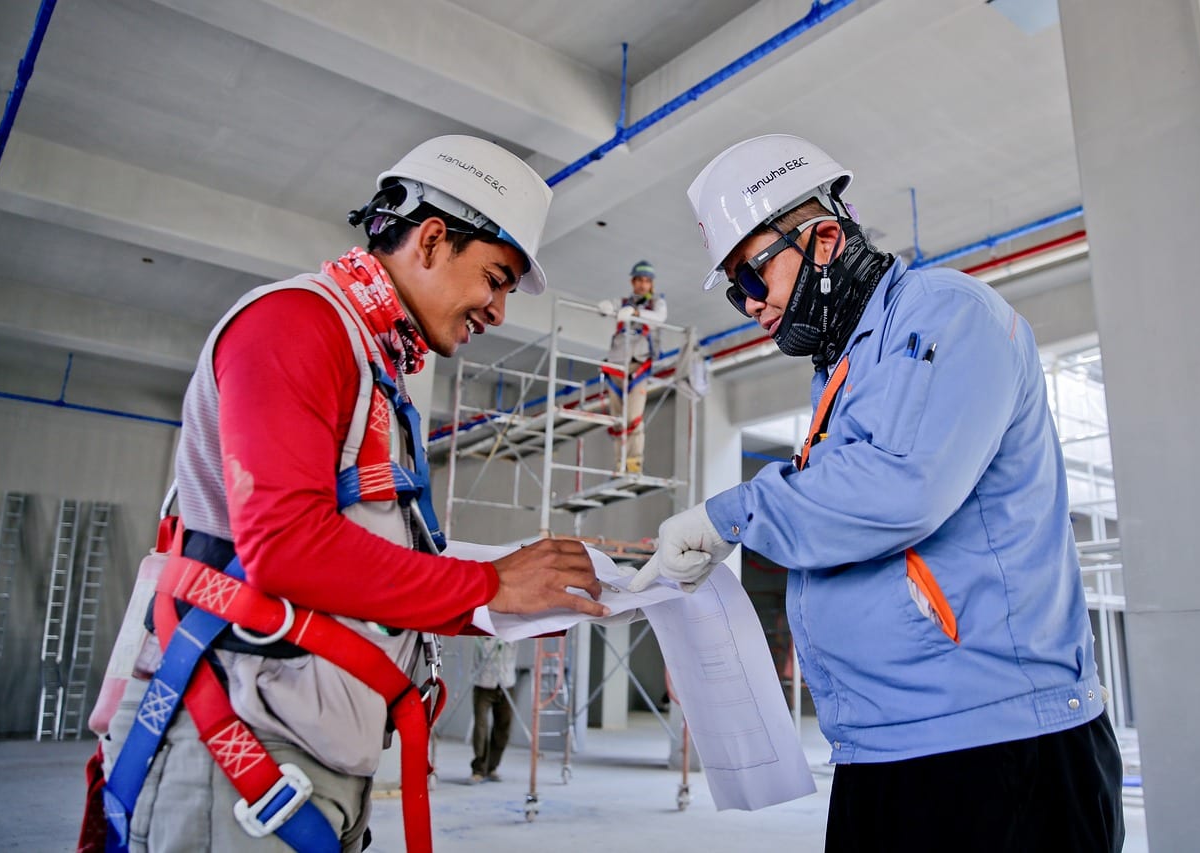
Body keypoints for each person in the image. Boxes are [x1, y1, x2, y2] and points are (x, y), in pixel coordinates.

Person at [97, 135, 608, 853]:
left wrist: (518, 596)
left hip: (305, 761)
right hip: (238, 756)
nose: (497, 311)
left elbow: (356, 574)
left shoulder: (375, 368)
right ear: (432, 240)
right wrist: (489, 584)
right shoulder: (295, 324)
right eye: (494, 278)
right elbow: (284, 546)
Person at [631, 134, 1124, 851]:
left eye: (751, 278)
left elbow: (902, 487)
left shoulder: (947, 314)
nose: (750, 306)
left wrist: (727, 517)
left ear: (824, 238)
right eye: (735, 291)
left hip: (999, 747)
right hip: (888, 748)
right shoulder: (847, 369)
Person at [599, 260, 668, 474]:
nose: (643, 285)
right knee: (618, 420)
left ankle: (633, 463)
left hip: (638, 366)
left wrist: (636, 314)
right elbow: (607, 307)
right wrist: (608, 307)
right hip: (616, 366)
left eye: (647, 281)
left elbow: (659, 318)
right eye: (639, 280)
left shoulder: (657, 304)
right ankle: (620, 464)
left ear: (651, 284)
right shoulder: (623, 302)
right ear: (633, 281)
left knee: (633, 419)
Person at [468, 637, 518, 784]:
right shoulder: (482, 632)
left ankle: (492, 766)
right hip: (483, 683)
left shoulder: (513, 632)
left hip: (506, 683)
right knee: (480, 727)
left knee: (503, 727)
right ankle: (479, 768)